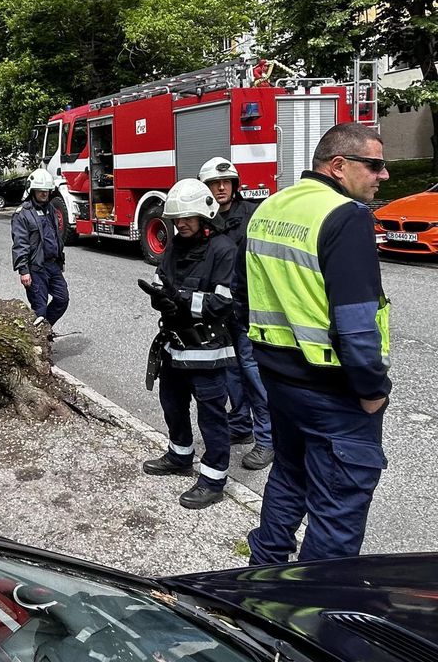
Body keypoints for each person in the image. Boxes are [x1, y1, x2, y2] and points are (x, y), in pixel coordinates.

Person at [243, 123, 392, 564]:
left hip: (282, 384)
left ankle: (262, 581)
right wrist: (372, 391)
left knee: (289, 476)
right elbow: (356, 325)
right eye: (375, 165)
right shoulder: (345, 217)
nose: (382, 176)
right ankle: (313, 615)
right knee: (337, 509)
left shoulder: (271, 207)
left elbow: (244, 296)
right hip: (334, 391)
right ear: (339, 166)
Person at [137, 178, 236, 509]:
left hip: (208, 350)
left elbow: (223, 302)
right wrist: (159, 300)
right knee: (172, 405)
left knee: (211, 418)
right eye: (177, 220)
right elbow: (158, 283)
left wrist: (179, 299)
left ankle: (213, 479)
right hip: (174, 347)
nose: (181, 225)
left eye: (187, 219)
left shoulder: (223, 250)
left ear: (204, 216)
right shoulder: (174, 247)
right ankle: (180, 455)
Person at [198, 157, 273, 471]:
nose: (221, 188)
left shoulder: (252, 216)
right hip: (220, 314)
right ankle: (240, 425)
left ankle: (267, 439)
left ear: (234, 185)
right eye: (214, 184)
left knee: (254, 374)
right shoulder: (205, 221)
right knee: (230, 373)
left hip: (247, 310)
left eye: (225, 182)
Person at [11, 170, 68, 328]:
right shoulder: (22, 214)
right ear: (32, 190)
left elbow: (55, 237)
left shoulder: (50, 209)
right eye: (41, 191)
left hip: (53, 265)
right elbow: (20, 243)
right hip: (35, 268)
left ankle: (43, 331)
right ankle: (38, 343)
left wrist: (60, 259)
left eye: (47, 191)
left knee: (62, 299)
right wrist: (24, 270)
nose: (44, 194)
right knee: (39, 310)